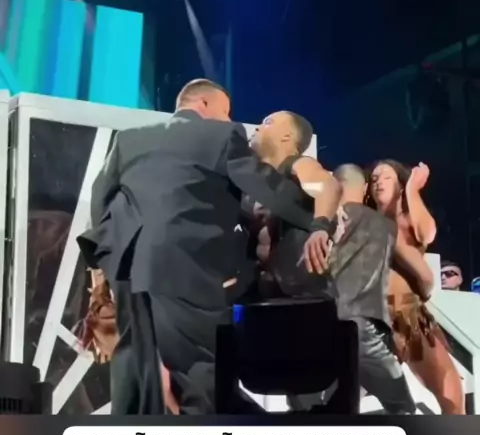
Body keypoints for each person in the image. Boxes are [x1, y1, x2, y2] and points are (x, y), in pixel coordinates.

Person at [78, 80, 321, 415]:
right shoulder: (223, 135)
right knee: (200, 377)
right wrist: (322, 218)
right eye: (226, 111)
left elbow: (100, 201)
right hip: (188, 272)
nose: (229, 119)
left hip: (130, 277)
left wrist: (106, 268)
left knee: (137, 377)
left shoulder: (129, 140)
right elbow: (268, 187)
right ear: (204, 104)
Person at [369, 159, 465, 414]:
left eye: (386, 177)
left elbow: (427, 234)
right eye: (374, 179)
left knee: (451, 394)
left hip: (407, 315)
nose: (378, 182)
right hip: (371, 317)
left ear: (400, 184)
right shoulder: (364, 221)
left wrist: (412, 188)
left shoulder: (407, 219)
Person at [329, 164, 417, 414]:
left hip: (321, 326)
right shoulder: (385, 226)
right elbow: (424, 275)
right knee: (402, 410)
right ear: (365, 188)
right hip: (363, 329)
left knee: (329, 409)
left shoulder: (318, 220)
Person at [248, 110, 341, 297]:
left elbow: (326, 184)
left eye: (268, 122)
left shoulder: (298, 165)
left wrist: (320, 228)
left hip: (305, 296)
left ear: (287, 136)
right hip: (265, 293)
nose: (257, 128)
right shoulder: (254, 184)